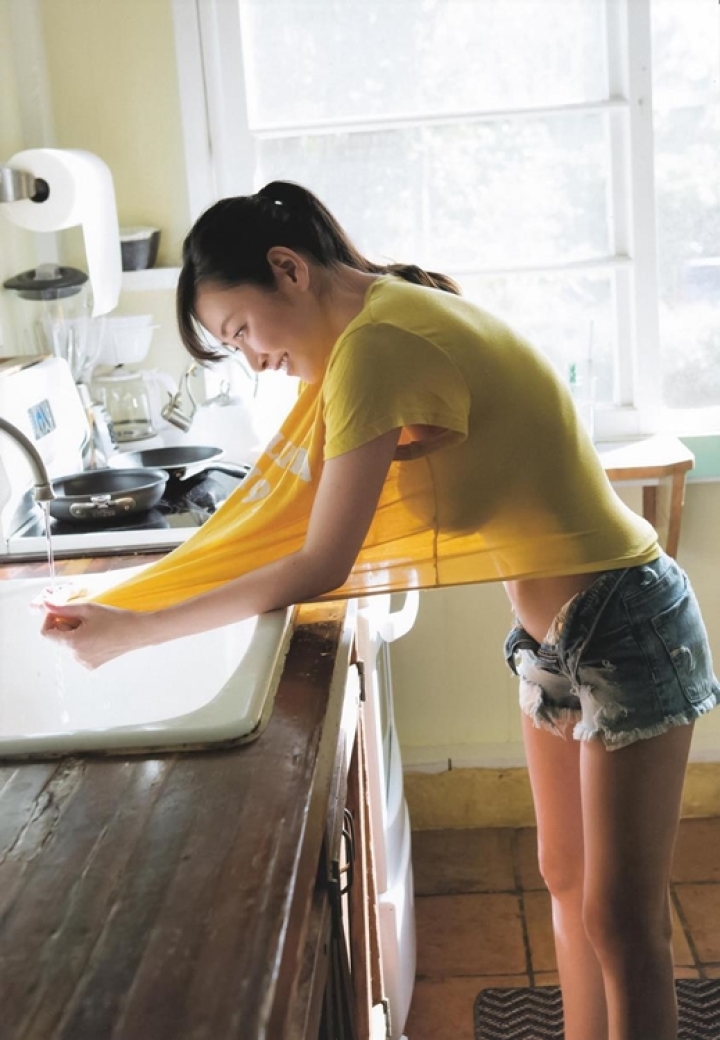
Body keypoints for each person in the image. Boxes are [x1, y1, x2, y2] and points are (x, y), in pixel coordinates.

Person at [42, 180, 719, 1040]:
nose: (252, 358)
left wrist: (136, 628)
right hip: (552, 640)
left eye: (240, 331)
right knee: (567, 881)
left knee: (623, 921)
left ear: (288, 269)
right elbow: (303, 515)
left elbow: (320, 560)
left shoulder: (376, 345)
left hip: (626, 621)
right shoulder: (383, 323)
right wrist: (131, 601)